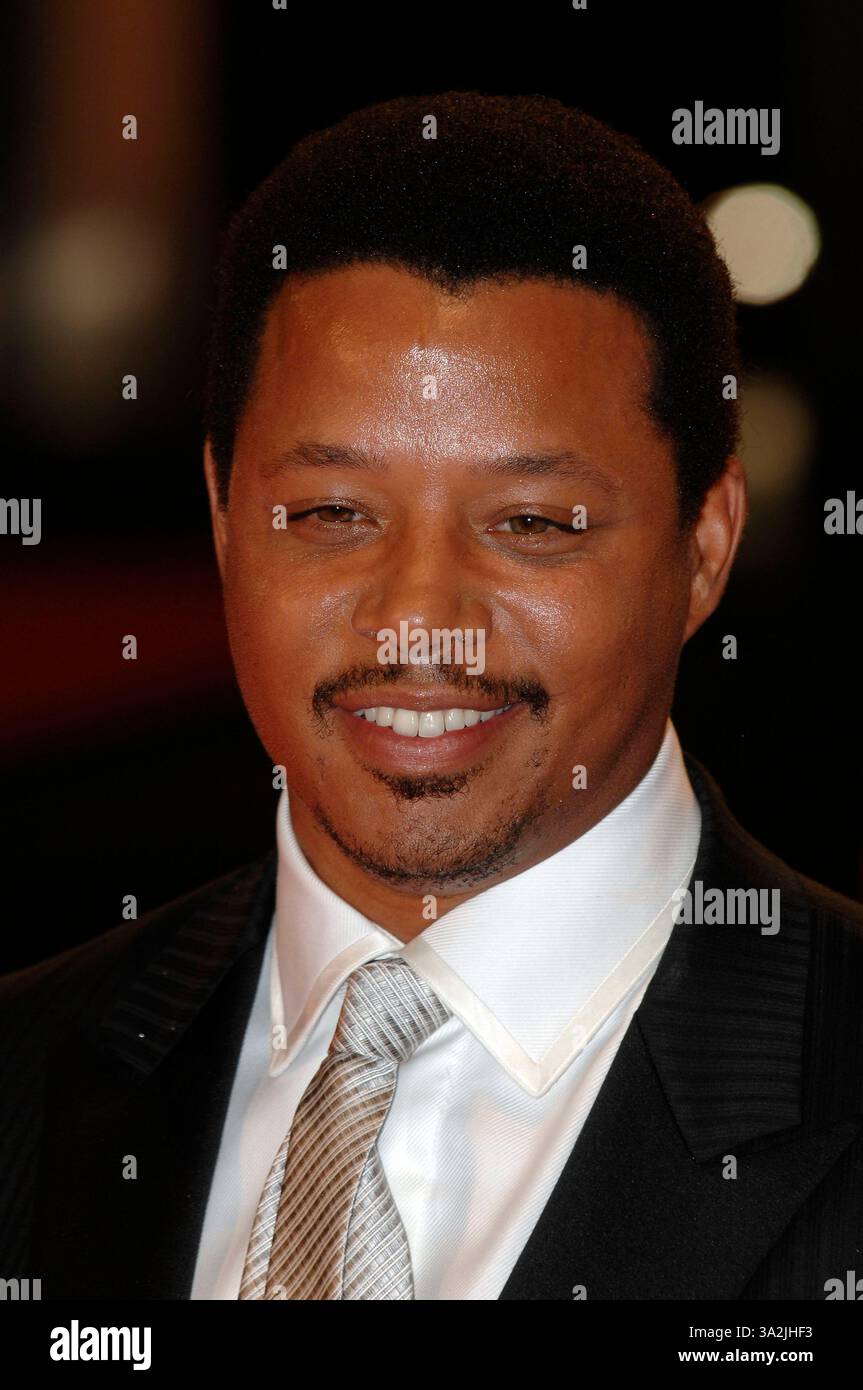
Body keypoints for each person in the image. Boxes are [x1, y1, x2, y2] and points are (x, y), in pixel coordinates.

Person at [1, 91, 861, 1302]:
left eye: (532, 523)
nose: (417, 615)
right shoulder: (28, 1064)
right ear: (223, 518)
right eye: (330, 513)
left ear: (704, 547)